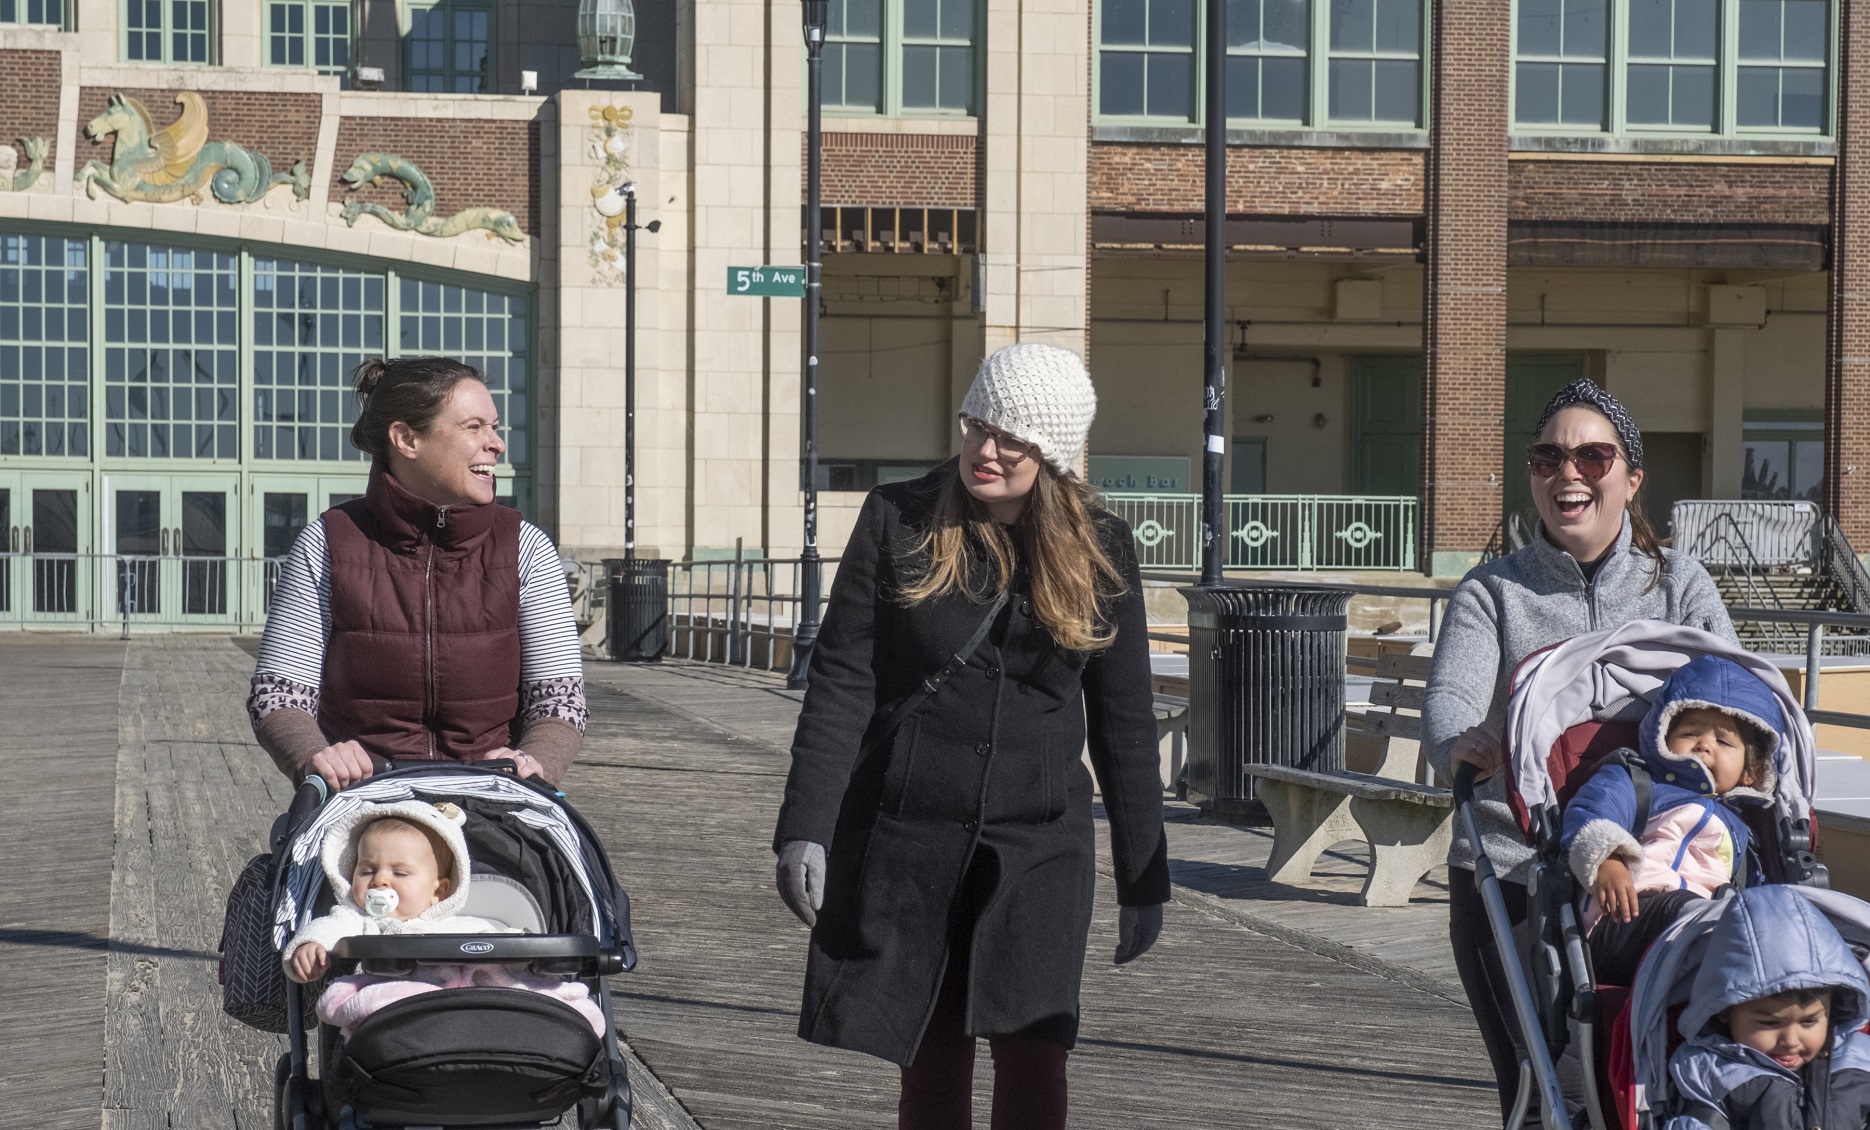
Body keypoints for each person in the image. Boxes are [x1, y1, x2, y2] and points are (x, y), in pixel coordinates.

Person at [772, 343, 1169, 1130]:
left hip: (1041, 842)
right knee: (932, 1052)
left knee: (1035, 1051)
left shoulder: (1102, 545)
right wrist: (804, 829)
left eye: (1011, 439)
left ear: (1050, 453)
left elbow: (1124, 722)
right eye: (976, 426)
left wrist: (1143, 876)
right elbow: (843, 682)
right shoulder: (898, 517)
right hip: (912, 832)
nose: (986, 451)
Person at [1422, 377, 1737, 1120]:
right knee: (1538, 1090)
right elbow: (1449, 704)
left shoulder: (1681, 586)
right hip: (1512, 869)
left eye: (1594, 458)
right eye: (1548, 457)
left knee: (1659, 1079)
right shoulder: (1492, 592)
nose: (1569, 473)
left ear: (1631, 480)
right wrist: (1463, 743)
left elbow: (1733, 698)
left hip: (1661, 874)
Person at [247, 357, 586, 789]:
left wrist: (534, 761)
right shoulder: (327, 544)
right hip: (363, 806)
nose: (496, 443)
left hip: (491, 798)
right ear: (406, 439)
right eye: (473, 427)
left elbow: (560, 700)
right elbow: (278, 692)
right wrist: (317, 757)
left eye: (495, 426)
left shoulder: (526, 549)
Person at [282, 799, 607, 1038]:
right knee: (350, 995)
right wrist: (312, 943)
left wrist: (523, 947)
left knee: (550, 992)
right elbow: (333, 925)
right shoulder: (362, 918)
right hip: (408, 1007)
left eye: (399, 872)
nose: (379, 880)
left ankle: (572, 1022)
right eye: (367, 870)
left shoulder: (466, 921)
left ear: (439, 891)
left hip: (486, 1000)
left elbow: (504, 937)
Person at [1561, 654, 1783, 985]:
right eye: (1691, 732)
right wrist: (1607, 859)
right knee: (1688, 914)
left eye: (1723, 741)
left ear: (1751, 772)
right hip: (1622, 919)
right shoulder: (1636, 780)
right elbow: (1591, 812)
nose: (1704, 744)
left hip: (1701, 928)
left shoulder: (1742, 830)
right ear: (1662, 736)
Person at [1665, 885, 1870, 1130]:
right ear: (1724, 1011)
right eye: (1770, 1023)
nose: (1791, 1040)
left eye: (1809, 1021)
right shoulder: (1713, 1073)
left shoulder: (1859, 1058)